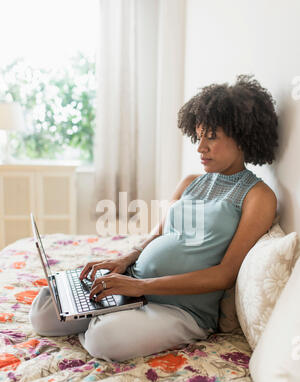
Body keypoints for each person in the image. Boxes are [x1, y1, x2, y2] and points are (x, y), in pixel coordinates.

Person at [30, 75, 278, 362]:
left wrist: (141, 287)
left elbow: (225, 274)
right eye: (198, 137)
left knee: (104, 339)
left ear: (242, 136)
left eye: (212, 137)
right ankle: (108, 309)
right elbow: (158, 234)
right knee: (44, 313)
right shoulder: (190, 181)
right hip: (135, 285)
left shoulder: (258, 195)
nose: (200, 148)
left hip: (181, 308)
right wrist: (127, 260)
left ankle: (108, 317)